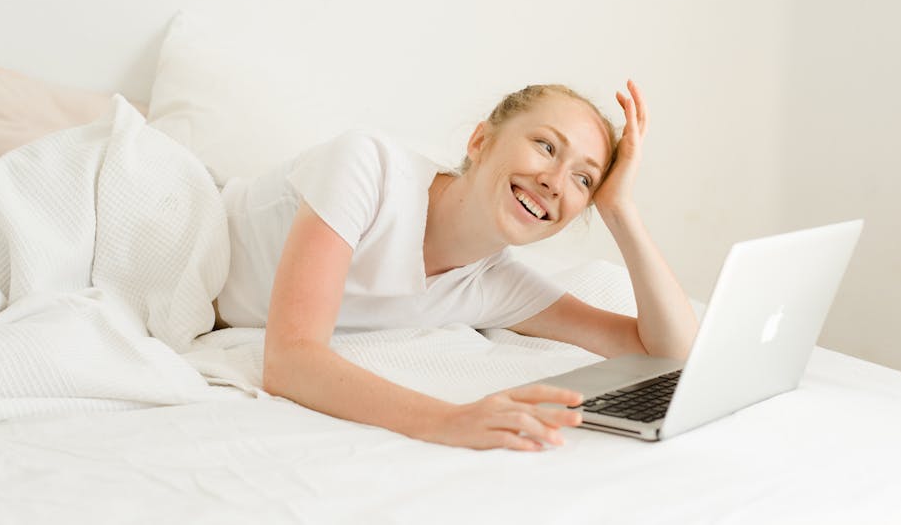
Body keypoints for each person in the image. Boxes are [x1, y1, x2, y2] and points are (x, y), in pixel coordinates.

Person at [212, 80, 698, 451]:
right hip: (188, 231)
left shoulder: (495, 284)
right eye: (547, 146)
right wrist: (449, 420)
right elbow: (290, 360)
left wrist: (620, 211)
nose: (554, 181)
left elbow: (668, 350)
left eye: (584, 179)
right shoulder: (367, 169)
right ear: (480, 141)